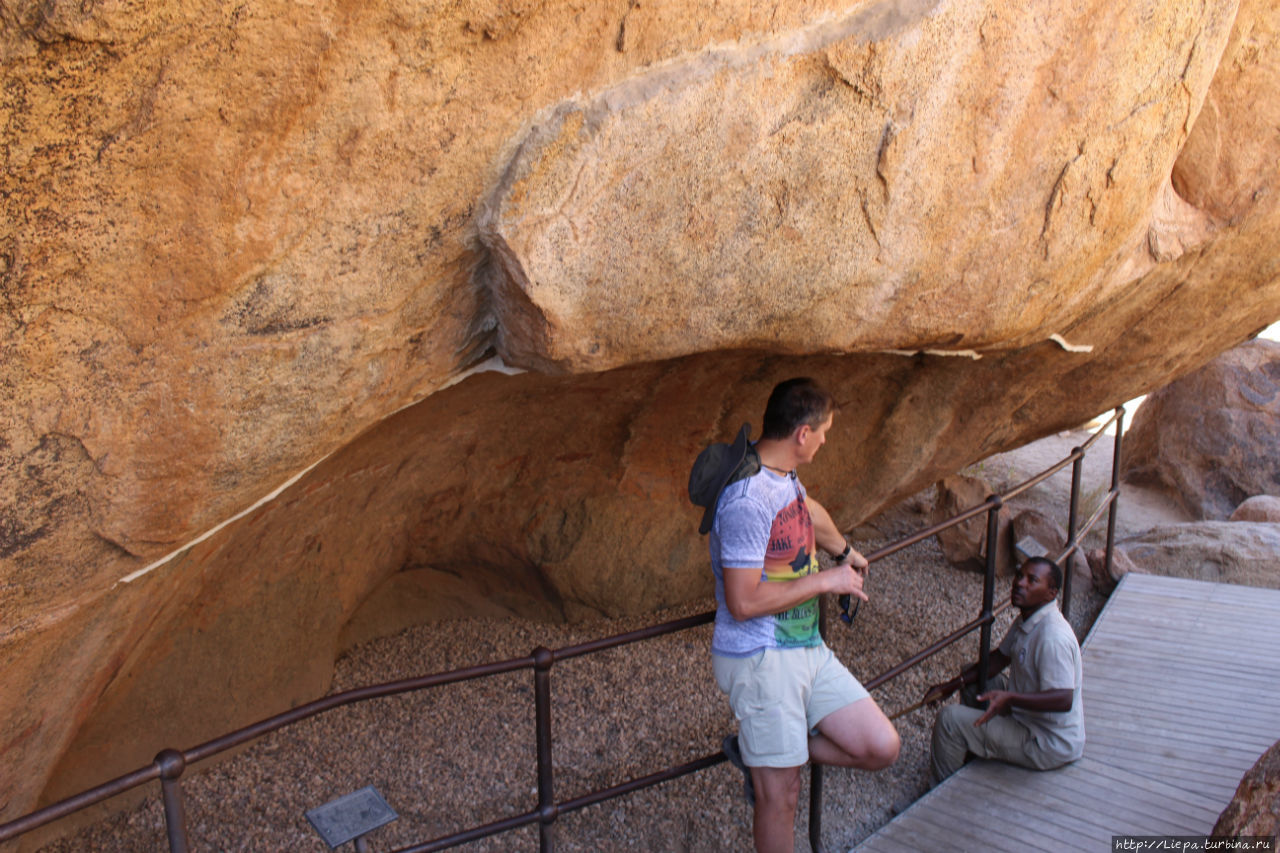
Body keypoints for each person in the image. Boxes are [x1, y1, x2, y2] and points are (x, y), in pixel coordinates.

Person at [708, 377, 900, 853]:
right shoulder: (747, 500)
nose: (826, 440)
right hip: (760, 658)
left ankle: (764, 750)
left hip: (806, 649)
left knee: (881, 745)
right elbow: (743, 602)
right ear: (802, 434)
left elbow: (804, 509)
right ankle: (770, 755)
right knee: (783, 797)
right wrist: (823, 581)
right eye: (824, 431)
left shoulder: (781, 475)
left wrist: (845, 550)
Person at [922, 556, 1085, 785]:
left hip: (1046, 741)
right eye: (1019, 575)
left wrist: (1010, 699)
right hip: (1027, 718)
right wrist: (952, 684)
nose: (1020, 583)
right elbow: (999, 659)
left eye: (1032, 580)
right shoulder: (1029, 619)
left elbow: (1063, 699)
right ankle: (972, 747)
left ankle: (937, 793)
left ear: (1051, 593)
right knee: (972, 676)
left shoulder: (1052, 637)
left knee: (949, 720)